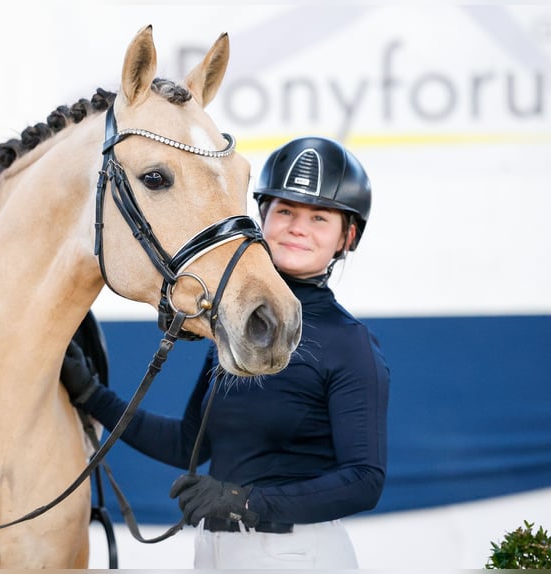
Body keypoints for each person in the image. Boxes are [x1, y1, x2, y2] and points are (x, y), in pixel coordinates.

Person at [61, 136, 390, 569]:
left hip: (296, 555)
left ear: (346, 236)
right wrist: (91, 395)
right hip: (217, 552)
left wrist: (246, 501)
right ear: (262, 217)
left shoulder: (349, 343)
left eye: (319, 218)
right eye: (285, 210)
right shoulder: (237, 328)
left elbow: (364, 481)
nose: (297, 226)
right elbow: (186, 446)